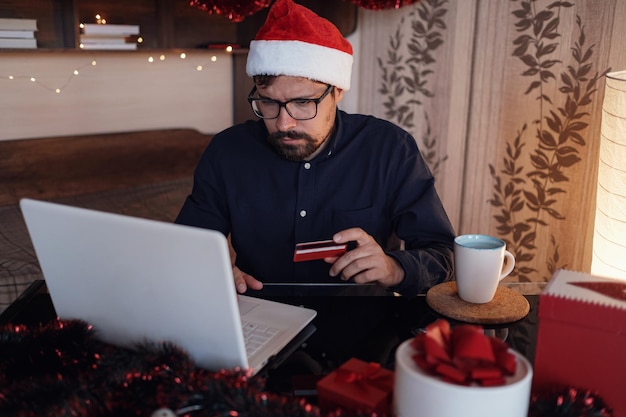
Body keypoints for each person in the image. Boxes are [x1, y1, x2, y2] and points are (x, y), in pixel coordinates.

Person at [175, 0, 455, 300]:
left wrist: (395, 269)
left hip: (362, 332)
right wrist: (209, 270)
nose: (283, 123)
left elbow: (444, 255)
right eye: (269, 102)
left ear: (337, 91)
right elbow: (187, 245)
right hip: (259, 321)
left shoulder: (389, 150)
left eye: (303, 103)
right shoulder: (227, 152)